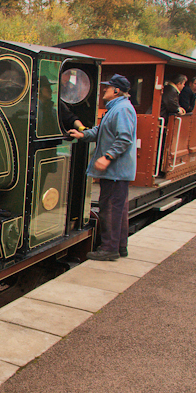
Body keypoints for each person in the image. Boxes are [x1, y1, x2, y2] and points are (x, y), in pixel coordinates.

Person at [67, 74, 137, 261]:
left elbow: (124, 138)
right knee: (119, 209)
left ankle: (109, 248)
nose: (104, 90)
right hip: (116, 171)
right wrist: (84, 135)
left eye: (107, 88)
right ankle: (120, 246)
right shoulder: (116, 109)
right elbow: (101, 131)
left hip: (116, 171)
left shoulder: (122, 110)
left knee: (111, 209)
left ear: (116, 91)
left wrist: (107, 157)